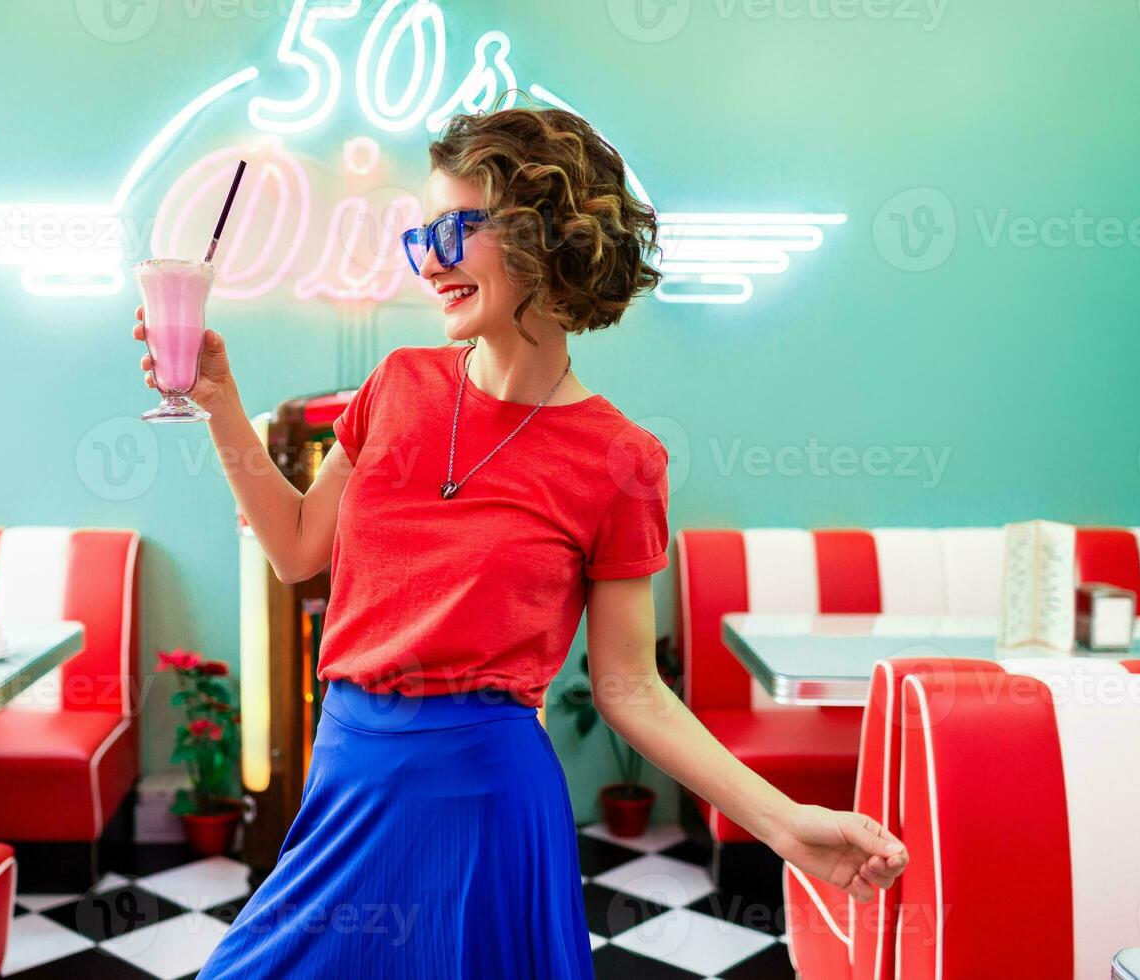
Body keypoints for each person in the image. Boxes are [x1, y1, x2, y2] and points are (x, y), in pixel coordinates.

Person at [133, 106, 908, 980]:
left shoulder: (620, 459)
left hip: (486, 804)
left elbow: (629, 689)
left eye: (460, 229)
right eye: (422, 233)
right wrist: (219, 402)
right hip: (349, 779)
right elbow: (297, 549)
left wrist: (783, 823)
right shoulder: (396, 386)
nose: (433, 260)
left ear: (548, 237)